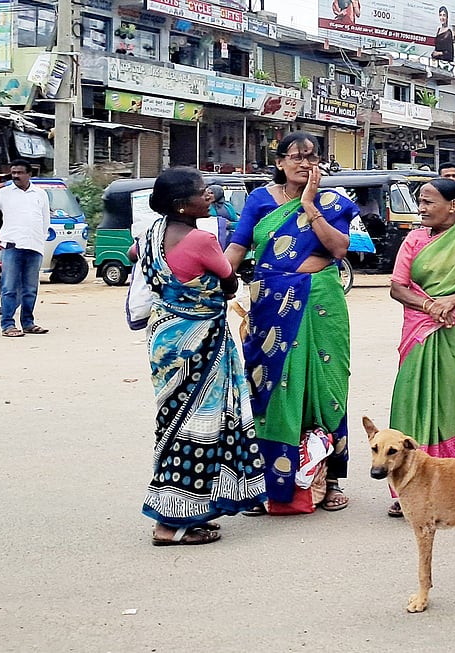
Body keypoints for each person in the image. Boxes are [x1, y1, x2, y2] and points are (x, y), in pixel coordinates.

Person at [226, 132, 358, 513]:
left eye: (311, 156)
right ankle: (267, 483)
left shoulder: (333, 202)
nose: (305, 163)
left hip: (321, 300)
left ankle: (330, 479)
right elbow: (238, 245)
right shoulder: (260, 199)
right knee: (270, 388)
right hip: (271, 303)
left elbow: (337, 249)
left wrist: (309, 205)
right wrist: (214, 278)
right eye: (296, 157)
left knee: (327, 382)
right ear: (280, 161)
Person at [135, 167, 265, 545]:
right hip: (200, 340)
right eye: (201, 191)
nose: (209, 194)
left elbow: (135, 256)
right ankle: (169, 525)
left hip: (164, 339)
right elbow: (229, 280)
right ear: (181, 204)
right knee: (198, 426)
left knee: (173, 420)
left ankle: (185, 513)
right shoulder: (202, 240)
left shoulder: (149, 235)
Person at [386, 178, 455, 517]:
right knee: (412, 403)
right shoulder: (414, 239)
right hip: (422, 330)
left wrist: (453, 300)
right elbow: (397, 287)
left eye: (428, 202)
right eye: (419, 201)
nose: (421, 208)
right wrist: (431, 307)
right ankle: (407, 487)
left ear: (452, 205)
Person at [0, 160, 50, 338]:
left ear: (29, 174)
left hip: (34, 246)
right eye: (13, 173)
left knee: (30, 289)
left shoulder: (40, 194)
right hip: (12, 246)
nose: (16, 176)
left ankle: (28, 323)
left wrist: (40, 240)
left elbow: (45, 220)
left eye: (20, 172)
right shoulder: (4, 193)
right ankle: (8, 325)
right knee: (9, 287)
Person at [207, 184, 236, 248]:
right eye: (207, 193)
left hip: (227, 238)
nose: (208, 195)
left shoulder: (228, 206)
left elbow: (238, 223)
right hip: (211, 237)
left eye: (211, 193)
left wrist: (230, 224)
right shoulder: (205, 206)